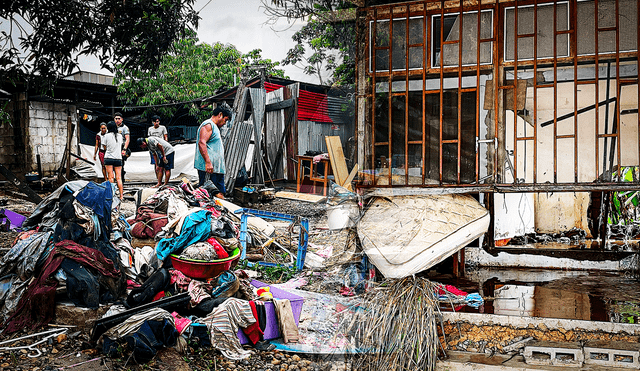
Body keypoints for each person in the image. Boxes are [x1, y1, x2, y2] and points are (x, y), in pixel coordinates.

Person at [194, 106, 232, 198]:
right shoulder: (208, 125)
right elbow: (202, 143)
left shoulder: (214, 127)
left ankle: (218, 211)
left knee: (219, 193)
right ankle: (207, 211)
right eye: (225, 120)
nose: (224, 123)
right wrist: (208, 162)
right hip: (209, 169)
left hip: (216, 169)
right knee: (208, 195)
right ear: (220, 115)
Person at [102, 121, 124, 200]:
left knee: (110, 177)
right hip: (118, 158)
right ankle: (121, 195)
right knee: (119, 178)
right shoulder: (120, 136)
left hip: (108, 158)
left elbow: (104, 147)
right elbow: (121, 145)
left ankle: (112, 195)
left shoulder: (106, 136)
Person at [114, 112, 130, 181]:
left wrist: (124, 149)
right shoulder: (113, 127)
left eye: (119, 119)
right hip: (114, 147)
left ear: (122, 119)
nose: (117, 120)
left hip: (121, 147)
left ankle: (121, 180)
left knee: (120, 164)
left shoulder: (125, 128)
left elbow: (127, 139)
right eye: (116, 119)